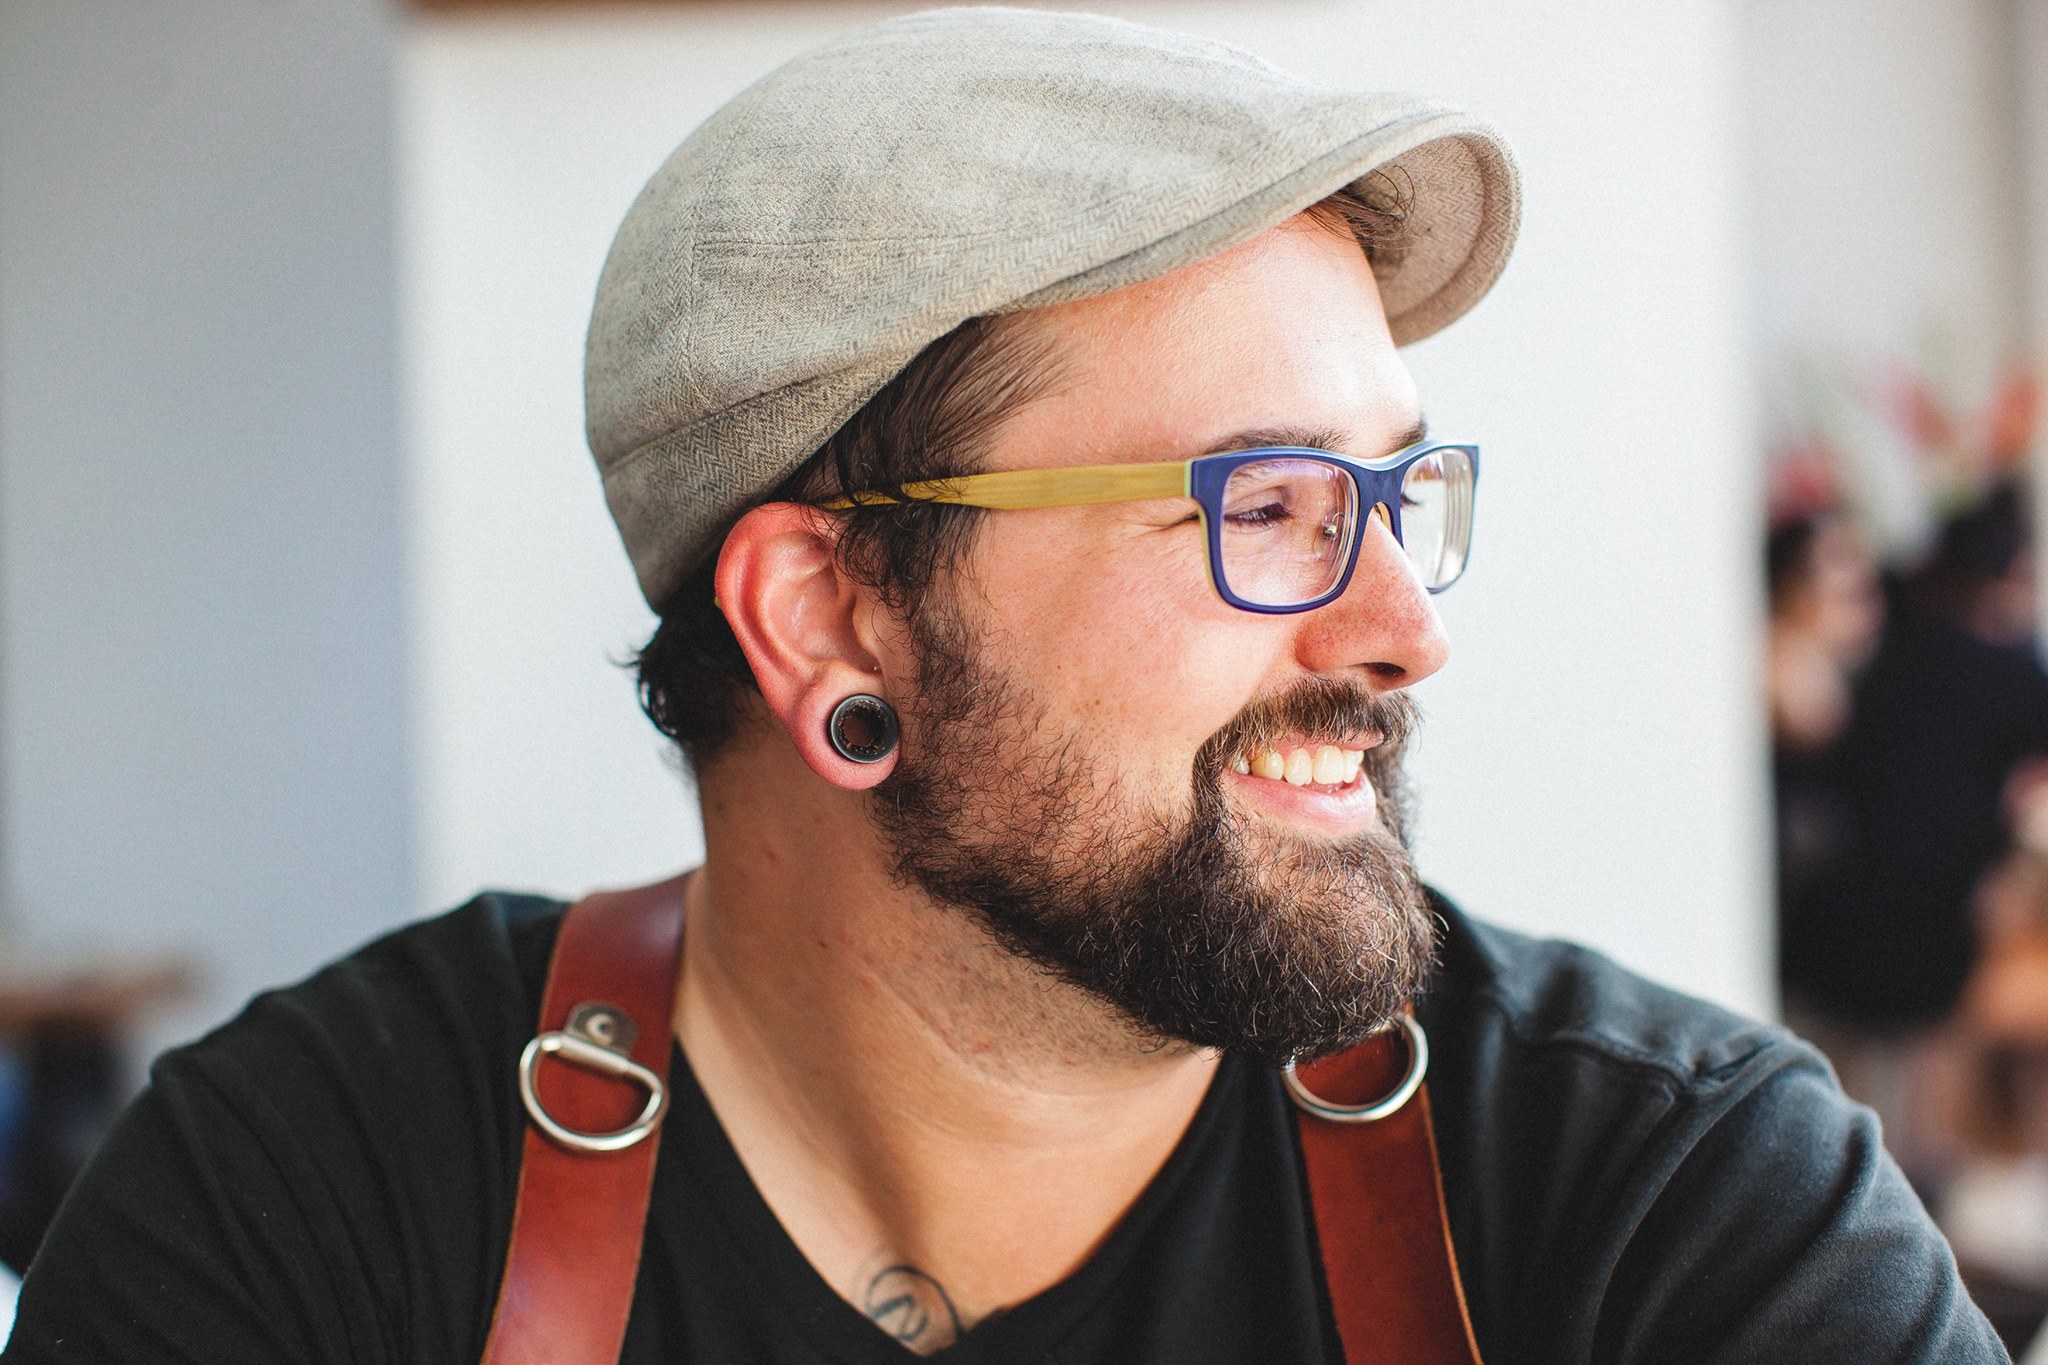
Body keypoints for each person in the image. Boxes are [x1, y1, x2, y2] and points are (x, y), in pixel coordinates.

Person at [1, 9, 2008, 1363]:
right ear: (829, 619)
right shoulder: (313, 1202)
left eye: (1398, 495)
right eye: (1268, 503)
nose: (1404, 624)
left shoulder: (1658, 1203)